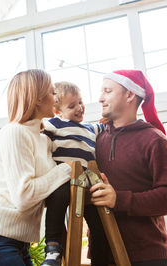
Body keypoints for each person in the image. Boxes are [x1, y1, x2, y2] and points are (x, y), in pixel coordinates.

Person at [0, 69, 72, 266]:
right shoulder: (14, 133)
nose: (55, 98)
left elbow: (44, 191)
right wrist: (65, 170)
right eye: (51, 92)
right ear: (38, 99)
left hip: (19, 242)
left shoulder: (43, 139)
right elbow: (23, 197)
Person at [90, 70, 167, 266]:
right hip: (102, 256)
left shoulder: (154, 140)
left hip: (147, 257)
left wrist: (119, 199)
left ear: (130, 95)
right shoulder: (96, 139)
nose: (100, 98)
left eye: (107, 91)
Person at [41, 81, 108, 266]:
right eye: (72, 106)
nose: (79, 108)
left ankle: (100, 256)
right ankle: (53, 248)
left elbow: (105, 127)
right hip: (64, 179)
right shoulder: (54, 124)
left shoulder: (90, 128)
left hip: (87, 181)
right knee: (57, 201)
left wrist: (108, 122)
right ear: (57, 111)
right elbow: (39, 131)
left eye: (80, 102)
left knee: (98, 222)